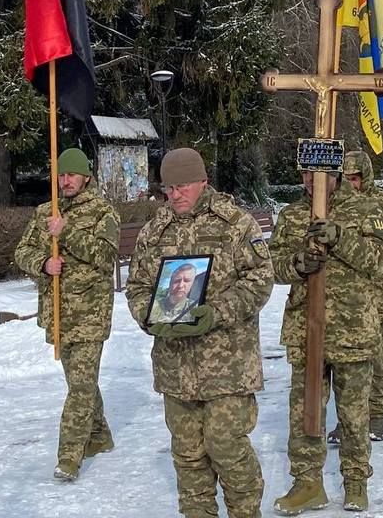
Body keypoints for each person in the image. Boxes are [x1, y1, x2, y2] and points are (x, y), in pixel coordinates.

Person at [125, 148, 273, 518]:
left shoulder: (235, 224)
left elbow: (260, 279)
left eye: (183, 186)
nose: (175, 195)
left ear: (203, 181)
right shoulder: (154, 231)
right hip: (176, 369)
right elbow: (138, 286)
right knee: (188, 457)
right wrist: (150, 316)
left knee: (227, 449)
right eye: (168, 188)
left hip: (227, 367)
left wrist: (217, 312)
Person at [271, 166, 383, 514]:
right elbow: (272, 266)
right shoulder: (292, 214)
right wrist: (298, 263)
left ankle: (355, 482)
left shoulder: (366, 210)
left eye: (319, 175)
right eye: (306, 175)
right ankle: (307, 483)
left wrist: (341, 237)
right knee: (304, 413)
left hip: (352, 329)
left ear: (336, 175)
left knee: (353, 415)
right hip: (307, 330)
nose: (311, 182)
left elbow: (381, 262)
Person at [14, 147, 119, 481]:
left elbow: (105, 257)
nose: (65, 180)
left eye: (72, 174)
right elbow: (22, 251)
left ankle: (69, 458)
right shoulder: (46, 211)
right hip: (58, 312)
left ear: (86, 176)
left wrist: (67, 234)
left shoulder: (103, 212)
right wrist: (44, 264)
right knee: (80, 382)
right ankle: (100, 436)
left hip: (90, 314)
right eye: (61, 175)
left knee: (79, 388)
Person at [339, 151, 383, 443]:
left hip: (382, 294)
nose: (351, 184)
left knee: (382, 360)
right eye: (346, 179)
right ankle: (350, 419)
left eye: (355, 178)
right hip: (348, 299)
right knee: (348, 364)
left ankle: (378, 414)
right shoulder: (336, 206)